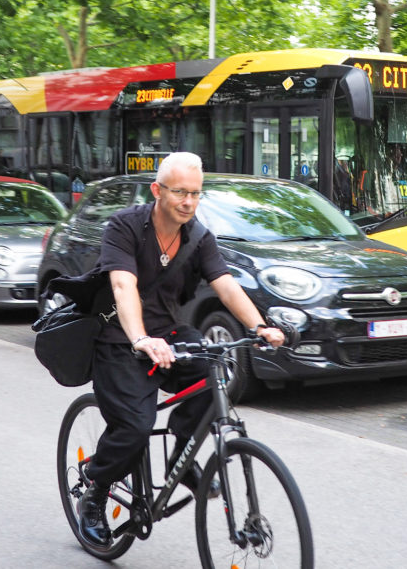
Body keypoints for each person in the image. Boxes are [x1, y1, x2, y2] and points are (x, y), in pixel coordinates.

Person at [78, 151, 285, 546]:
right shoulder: (124, 227)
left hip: (169, 334)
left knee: (217, 371)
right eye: (179, 193)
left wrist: (259, 326)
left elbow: (225, 284)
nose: (188, 202)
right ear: (157, 190)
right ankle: (96, 489)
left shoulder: (198, 236)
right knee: (135, 428)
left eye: (195, 194)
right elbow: (124, 287)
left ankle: (182, 450)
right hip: (121, 340)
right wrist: (140, 338)